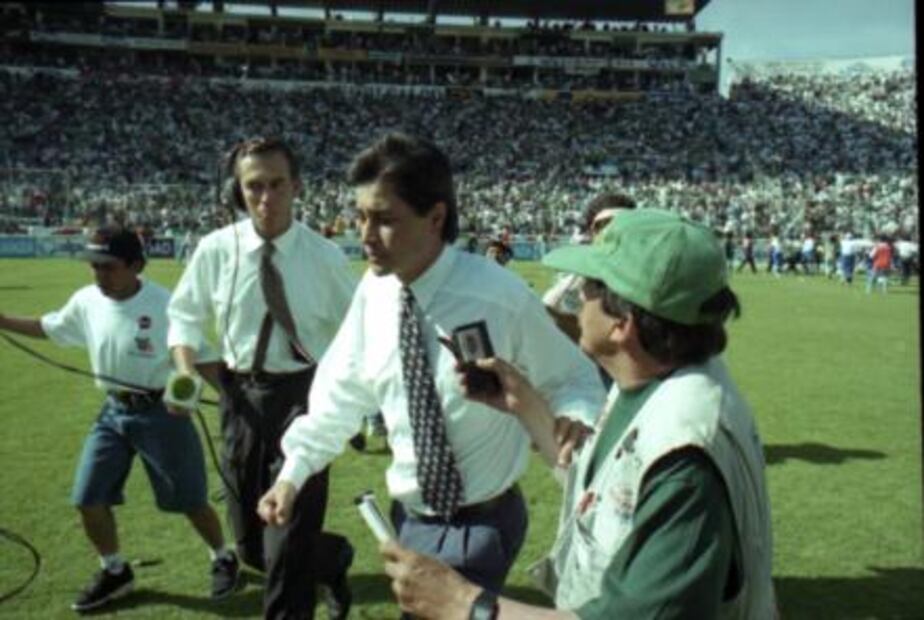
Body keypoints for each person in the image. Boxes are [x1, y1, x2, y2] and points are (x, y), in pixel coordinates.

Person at [380, 209, 777, 620]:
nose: (577, 301)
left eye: (587, 289)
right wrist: (522, 401)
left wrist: (463, 603)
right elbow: (605, 488)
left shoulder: (684, 456)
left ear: (622, 324)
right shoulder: (656, 382)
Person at [257, 132, 605, 599]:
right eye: (360, 217)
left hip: (483, 524)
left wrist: (575, 426)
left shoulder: (498, 296)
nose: (364, 235)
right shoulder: (374, 294)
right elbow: (339, 396)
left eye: (384, 220)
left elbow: (572, 378)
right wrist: (291, 476)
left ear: (436, 217)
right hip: (408, 521)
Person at [0, 227, 239, 612]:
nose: (99, 275)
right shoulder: (86, 300)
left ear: (136, 265)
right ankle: (115, 570)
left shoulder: (166, 305)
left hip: (163, 414)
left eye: (108, 267)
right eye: (94, 266)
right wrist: (2, 320)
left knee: (190, 499)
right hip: (113, 413)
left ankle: (222, 556)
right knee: (87, 497)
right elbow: (50, 327)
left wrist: (236, 408)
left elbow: (205, 358)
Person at [166, 137, 356, 620]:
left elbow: (358, 331)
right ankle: (332, 558)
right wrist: (186, 371)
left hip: (304, 398)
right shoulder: (215, 250)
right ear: (237, 191)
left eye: (277, 184)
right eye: (254, 186)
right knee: (254, 547)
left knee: (286, 539)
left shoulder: (325, 257)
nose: (266, 197)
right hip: (240, 400)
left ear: (297, 187)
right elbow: (184, 316)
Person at [543, 192, 636, 344]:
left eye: (623, 225)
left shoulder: (652, 278)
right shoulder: (575, 282)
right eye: (604, 225)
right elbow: (551, 313)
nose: (614, 233)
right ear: (591, 233)